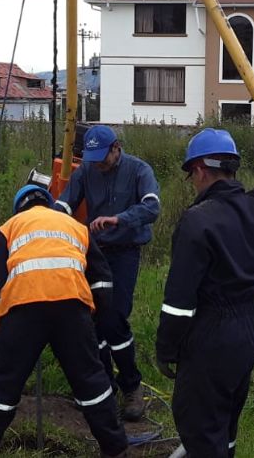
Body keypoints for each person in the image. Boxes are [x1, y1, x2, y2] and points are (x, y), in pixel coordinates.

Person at [155, 99, 254, 457]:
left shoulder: (197, 222)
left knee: (199, 424)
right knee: (226, 420)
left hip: (211, 337)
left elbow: (179, 304)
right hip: (249, 330)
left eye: (190, 176)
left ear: (199, 170)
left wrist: (166, 350)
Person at [0, 184, 129, 458]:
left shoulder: (10, 227)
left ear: (19, 208)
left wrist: (3, 323)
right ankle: (115, 448)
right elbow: (102, 281)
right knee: (91, 381)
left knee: (1, 384)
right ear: (49, 203)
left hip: (22, 309)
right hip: (73, 308)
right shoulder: (76, 226)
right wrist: (91, 317)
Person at [54, 125, 160, 421]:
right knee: (90, 320)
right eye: (93, 159)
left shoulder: (139, 170)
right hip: (95, 254)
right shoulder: (87, 171)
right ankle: (102, 387)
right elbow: (64, 203)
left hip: (125, 253)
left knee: (114, 319)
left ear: (116, 148)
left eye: (103, 157)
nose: (98, 164)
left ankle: (132, 386)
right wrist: (48, 219)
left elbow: (152, 207)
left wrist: (120, 219)